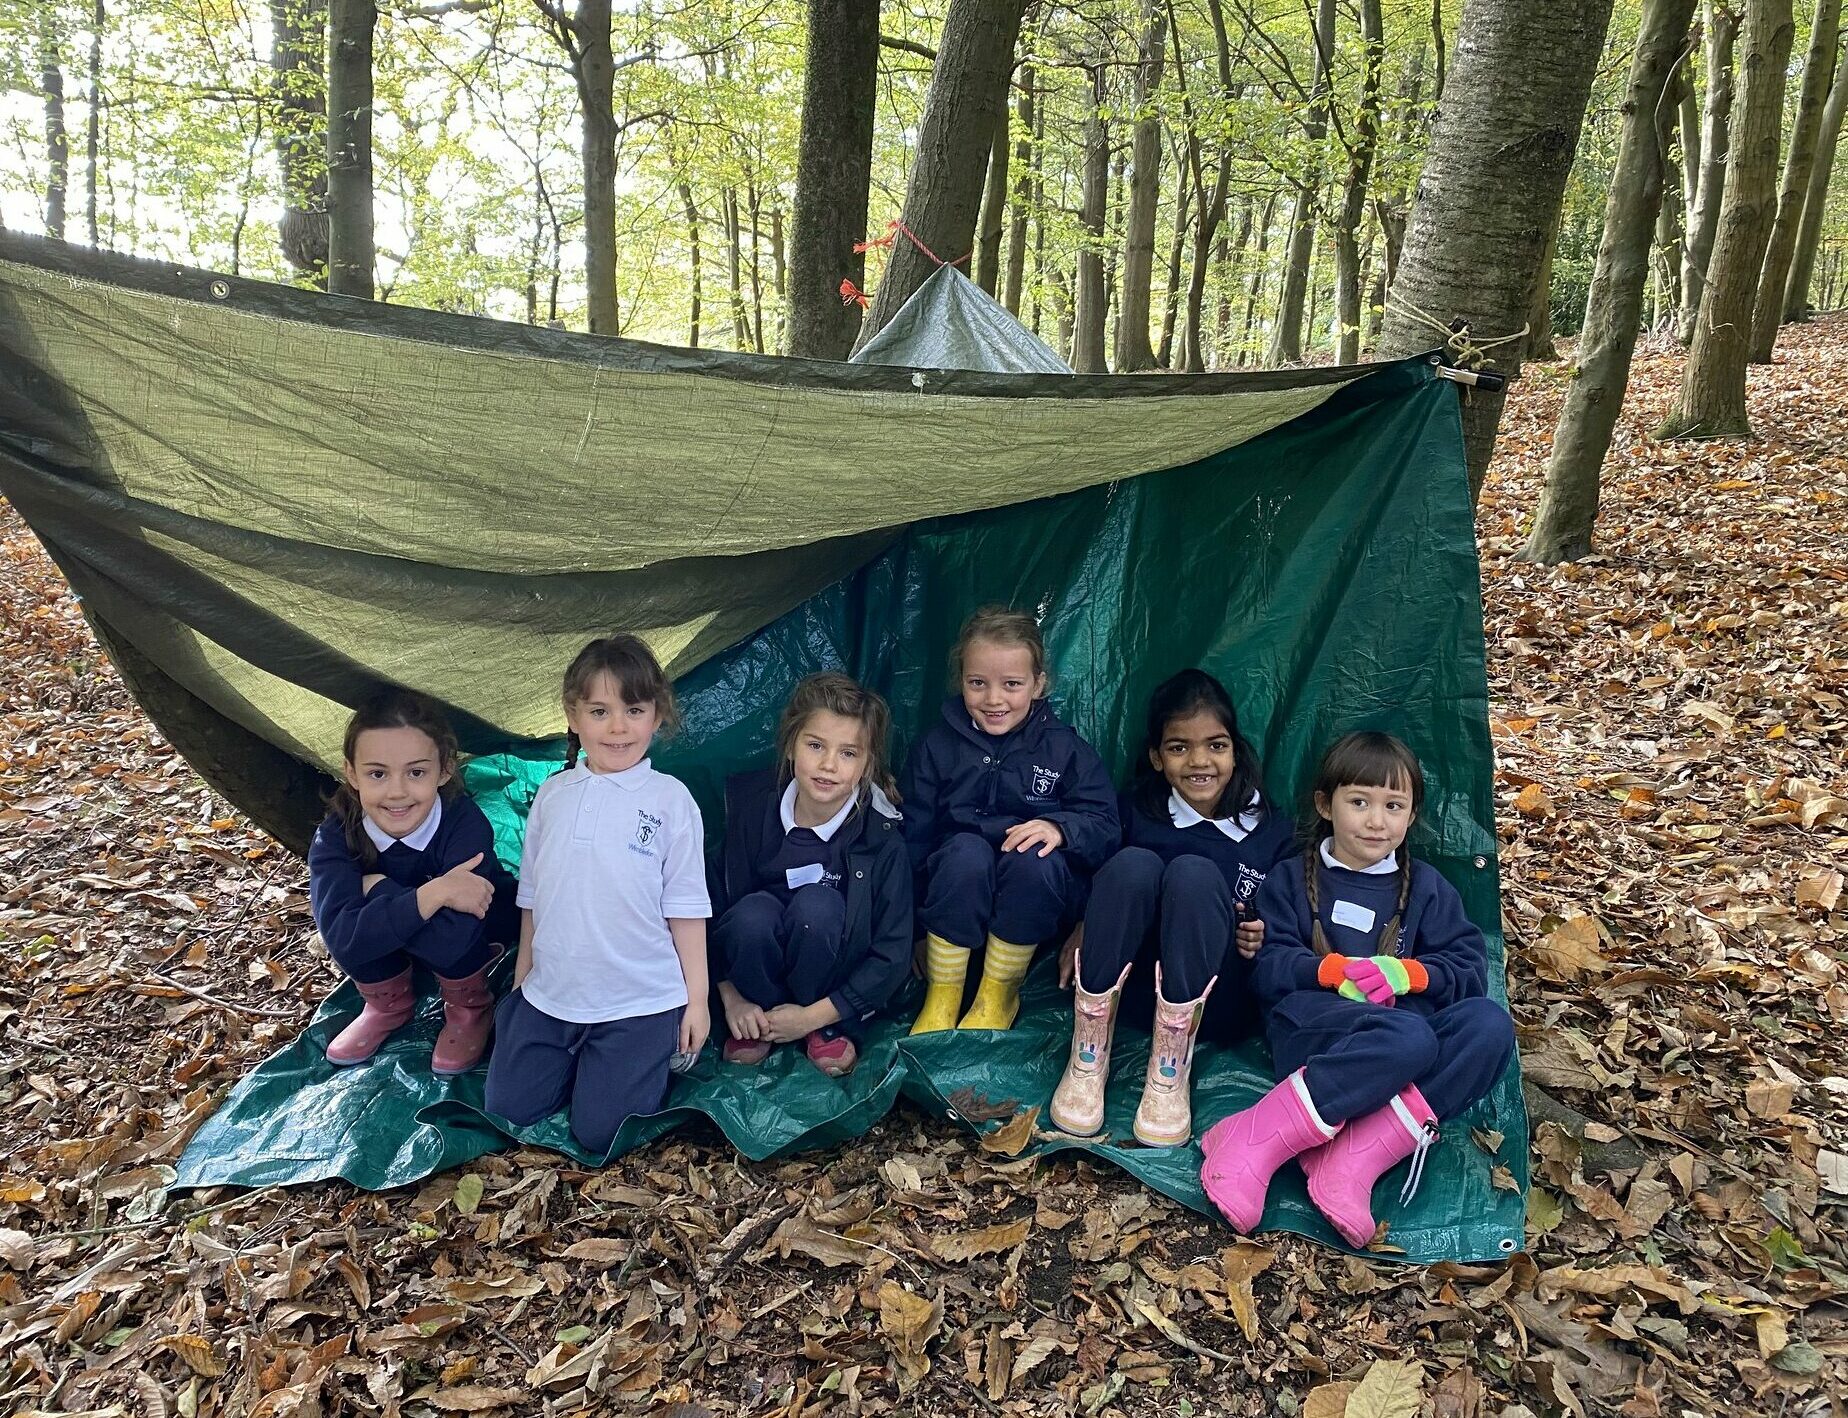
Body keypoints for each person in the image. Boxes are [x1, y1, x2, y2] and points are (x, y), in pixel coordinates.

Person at [1199, 731, 1515, 1246]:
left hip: (1406, 1035)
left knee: (1489, 1026)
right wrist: (1328, 972)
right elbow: (1268, 967)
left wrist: (1409, 974)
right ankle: (1251, 1136)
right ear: (1326, 804)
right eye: (1360, 802)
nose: (1376, 820)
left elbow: (1467, 968)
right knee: (1409, 1037)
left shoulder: (1428, 888)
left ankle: (1354, 1158)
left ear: (1412, 815)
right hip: (1316, 1032)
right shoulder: (1289, 879)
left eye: (1394, 805)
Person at [483, 635, 711, 1154]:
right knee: (507, 1110)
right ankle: (569, 1055)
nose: (618, 727)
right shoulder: (552, 795)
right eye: (600, 710)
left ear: (657, 716)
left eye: (634, 710)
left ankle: (642, 1054)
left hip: (639, 999)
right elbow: (533, 898)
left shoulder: (671, 801)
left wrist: (695, 1001)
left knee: (601, 1133)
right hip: (553, 993)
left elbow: (687, 911)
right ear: (573, 714)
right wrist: (523, 984)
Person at [1049, 669, 1293, 1146]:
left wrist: (1262, 932)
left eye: (1216, 745)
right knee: (1134, 865)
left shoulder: (1272, 831)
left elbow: (1286, 915)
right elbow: (1095, 879)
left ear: (1235, 750)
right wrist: (1085, 923)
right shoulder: (1135, 811)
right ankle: (1086, 1058)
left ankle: (1169, 1074)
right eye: (1179, 747)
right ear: (1157, 758)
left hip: (1212, 1004)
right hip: (1128, 992)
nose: (1199, 761)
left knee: (1194, 873)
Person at [901, 607, 1119, 1034]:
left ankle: (998, 995)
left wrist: (1060, 828)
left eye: (1012, 684)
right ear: (960, 680)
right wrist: (913, 931)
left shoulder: (1064, 749)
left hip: (1033, 897)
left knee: (1032, 855)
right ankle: (942, 996)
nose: (994, 699)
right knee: (963, 852)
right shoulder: (936, 745)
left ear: (1039, 685)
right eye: (977, 683)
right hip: (956, 890)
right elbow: (913, 836)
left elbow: (1106, 825)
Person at [711, 672, 912, 1077]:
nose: (828, 765)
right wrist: (733, 1000)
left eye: (848, 753)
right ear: (790, 746)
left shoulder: (881, 838)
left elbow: (892, 954)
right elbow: (707, 912)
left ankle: (821, 1030)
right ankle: (761, 1023)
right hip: (754, 985)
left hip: (828, 993)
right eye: (815, 745)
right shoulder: (751, 814)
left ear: (867, 765)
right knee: (751, 914)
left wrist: (812, 1017)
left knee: (817, 906)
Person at [309, 688, 516, 1074]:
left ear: (445, 770)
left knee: (438, 929)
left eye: (416, 772)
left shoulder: (464, 825)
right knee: (366, 931)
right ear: (351, 773)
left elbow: (452, 942)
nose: (397, 791)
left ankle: (470, 1006)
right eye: (377, 773)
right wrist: (434, 893)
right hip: (395, 949)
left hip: (471, 945)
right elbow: (344, 940)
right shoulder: (336, 835)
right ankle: (388, 1004)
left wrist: (380, 890)